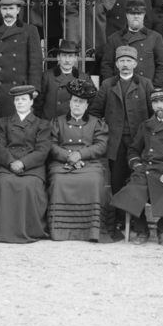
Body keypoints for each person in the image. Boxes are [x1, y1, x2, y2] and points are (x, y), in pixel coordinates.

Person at [111, 89, 163, 245]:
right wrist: (136, 165)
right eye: (155, 102)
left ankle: (162, 230)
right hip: (146, 169)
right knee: (131, 191)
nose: (159, 106)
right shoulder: (146, 126)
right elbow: (133, 150)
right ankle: (142, 229)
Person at [0, 85, 52, 243]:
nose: (20, 102)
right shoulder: (3, 123)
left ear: (31, 101)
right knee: (3, 183)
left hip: (32, 167)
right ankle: (3, 230)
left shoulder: (42, 124)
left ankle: (28, 230)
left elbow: (42, 150)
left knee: (28, 186)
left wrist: (23, 163)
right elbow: (0, 146)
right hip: (8, 165)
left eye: (24, 99)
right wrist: (11, 162)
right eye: (17, 99)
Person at [46, 79, 113, 243]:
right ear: (69, 103)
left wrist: (80, 154)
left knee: (94, 180)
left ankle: (92, 231)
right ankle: (60, 231)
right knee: (58, 181)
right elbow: (51, 145)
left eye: (81, 102)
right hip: (62, 162)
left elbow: (101, 146)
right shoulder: (57, 122)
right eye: (75, 101)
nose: (77, 105)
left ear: (87, 105)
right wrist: (69, 156)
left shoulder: (97, 123)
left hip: (89, 163)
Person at [90, 46, 156, 202]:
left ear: (135, 63)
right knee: (117, 180)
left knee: (138, 178)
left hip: (138, 140)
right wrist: (104, 131)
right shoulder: (107, 85)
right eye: (121, 61)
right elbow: (95, 113)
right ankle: (119, 215)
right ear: (116, 64)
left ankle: (138, 215)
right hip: (115, 141)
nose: (125, 64)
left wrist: (149, 135)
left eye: (128, 60)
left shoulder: (145, 84)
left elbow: (154, 112)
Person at [0, 0, 44, 117]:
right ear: (0, 10)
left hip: (21, 88)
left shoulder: (29, 30)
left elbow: (35, 61)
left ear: (18, 10)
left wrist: (35, 87)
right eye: (4, 8)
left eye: (11, 8)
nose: (8, 12)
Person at [99, 0, 163, 88]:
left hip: (146, 89)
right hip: (121, 90)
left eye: (139, 13)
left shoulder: (155, 37)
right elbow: (107, 67)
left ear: (144, 15)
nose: (136, 16)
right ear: (127, 15)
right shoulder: (114, 39)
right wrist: (112, 88)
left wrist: (155, 88)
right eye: (132, 13)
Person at [37, 40, 92, 122]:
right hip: (50, 124)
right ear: (58, 57)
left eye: (70, 56)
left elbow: (91, 104)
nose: (67, 60)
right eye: (64, 56)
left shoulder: (84, 78)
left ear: (75, 58)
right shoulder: (47, 76)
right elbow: (38, 105)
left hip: (73, 125)